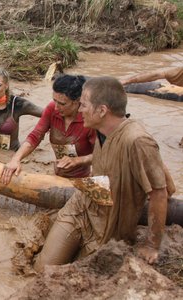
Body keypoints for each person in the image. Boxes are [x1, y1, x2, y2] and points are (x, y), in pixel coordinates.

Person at [33, 76, 175, 271]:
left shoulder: (138, 141)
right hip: (82, 205)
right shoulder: (100, 128)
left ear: (102, 111)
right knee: (43, 269)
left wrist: (152, 245)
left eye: (83, 105)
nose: (80, 111)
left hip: (108, 224)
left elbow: (161, 192)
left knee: (79, 273)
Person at [1, 75, 95, 184]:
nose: (56, 107)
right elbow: (35, 136)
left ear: (77, 101)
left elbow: (102, 155)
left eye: (62, 104)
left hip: (82, 179)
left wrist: (77, 161)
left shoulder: (90, 120)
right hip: (58, 174)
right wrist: (15, 160)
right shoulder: (52, 109)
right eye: (54, 101)